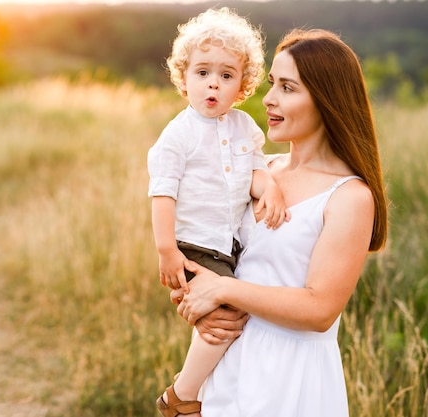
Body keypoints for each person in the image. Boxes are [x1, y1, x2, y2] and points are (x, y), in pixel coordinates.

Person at [170, 28, 389, 416]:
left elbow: (320, 310)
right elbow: (217, 254)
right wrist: (195, 292)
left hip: (290, 382)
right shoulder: (258, 170)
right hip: (227, 372)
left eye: (288, 88)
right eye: (272, 83)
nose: (268, 99)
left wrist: (224, 291)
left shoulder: (349, 196)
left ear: (326, 100)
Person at [147, 8, 290, 417]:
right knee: (228, 314)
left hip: (229, 244)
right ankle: (182, 397)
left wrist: (271, 187)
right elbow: (162, 194)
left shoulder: (246, 127)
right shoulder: (179, 134)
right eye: (202, 72)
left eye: (226, 76)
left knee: (232, 312)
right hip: (194, 245)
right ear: (184, 77)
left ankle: (205, 392)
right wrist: (166, 250)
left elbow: (255, 173)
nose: (213, 82)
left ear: (242, 86)